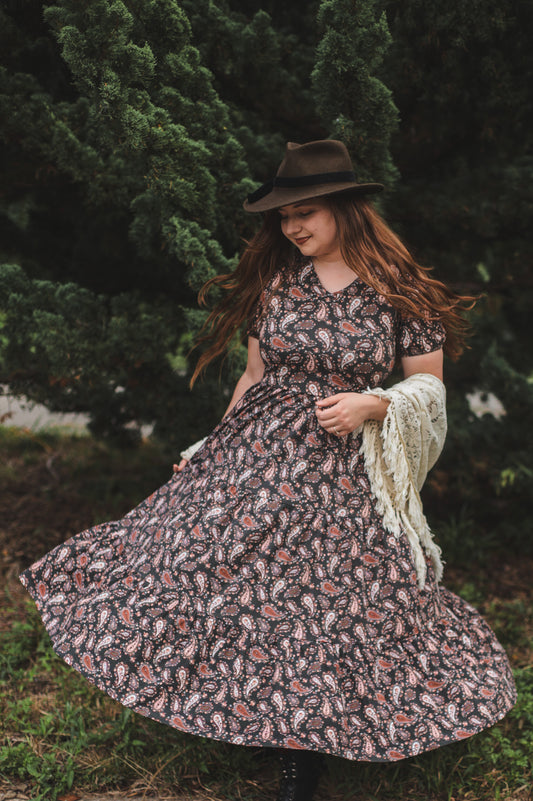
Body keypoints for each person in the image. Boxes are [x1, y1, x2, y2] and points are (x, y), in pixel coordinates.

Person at [20, 139, 516, 801]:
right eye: (284, 217)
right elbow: (255, 375)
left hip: (346, 470)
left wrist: (372, 404)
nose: (292, 227)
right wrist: (211, 445)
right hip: (257, 454)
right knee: (206, 567)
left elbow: (428, 387)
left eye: (304, 212)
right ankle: (249, 706)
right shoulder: (278, 284)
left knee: (326, 600)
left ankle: (302, 753)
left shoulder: (402, 292)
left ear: (344, 207)